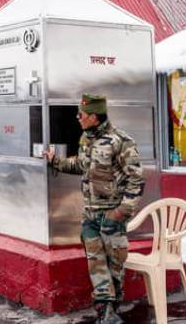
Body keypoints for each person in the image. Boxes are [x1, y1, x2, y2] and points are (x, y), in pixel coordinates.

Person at [44, 93, 145, 324]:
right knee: (95, 262)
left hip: (112, 214)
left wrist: (122, 211)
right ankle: (105, 311)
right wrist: (55, 161)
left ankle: (112, 308)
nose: (78, 117)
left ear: (94, 116)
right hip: (90, 213)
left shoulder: (121, 141)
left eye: (82, 114)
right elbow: (81, 165)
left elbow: (137, 179)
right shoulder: (86, 139)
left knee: (114, 263)